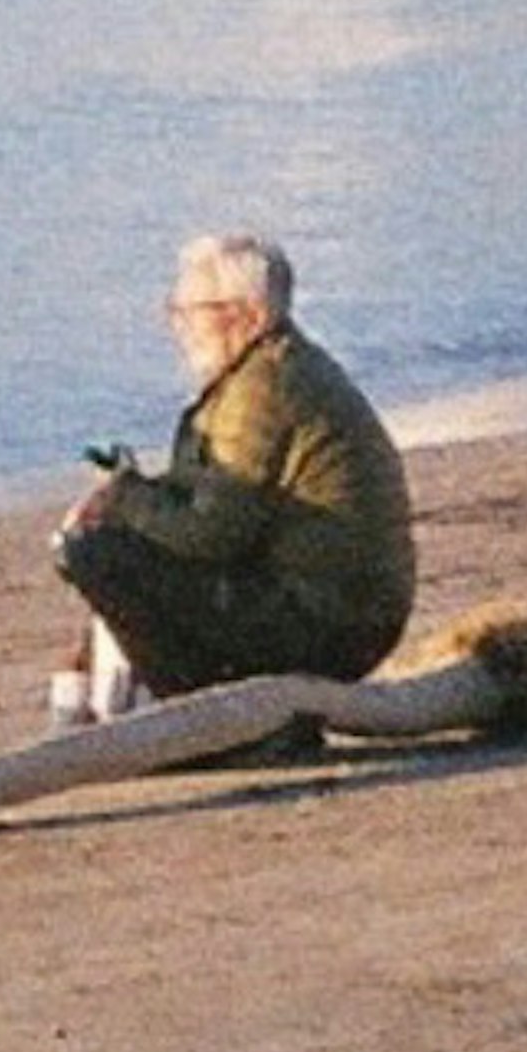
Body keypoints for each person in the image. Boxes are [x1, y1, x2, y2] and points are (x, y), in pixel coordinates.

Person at [47, 232, 417, 719]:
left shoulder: (264, 389)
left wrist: (124, 498)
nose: (177, 325)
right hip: (347, 611)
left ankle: (205, 716)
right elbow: (218, 508)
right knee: (113, 542)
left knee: (93, 553)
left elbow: (212, 533)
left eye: (190, 311)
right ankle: (147, 699)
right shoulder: (270, 372)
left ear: (251, 316)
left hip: (327, 622)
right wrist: (135, 496)